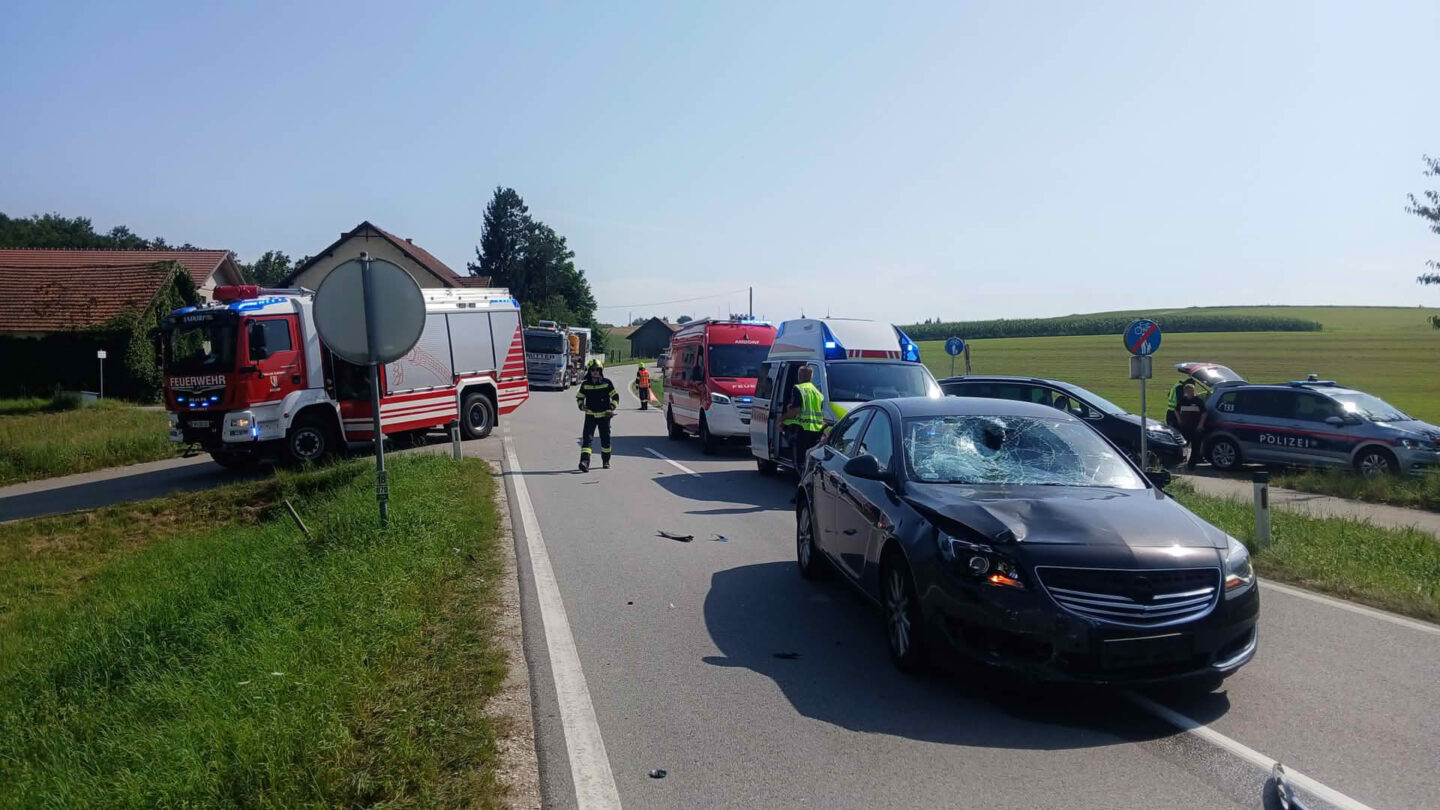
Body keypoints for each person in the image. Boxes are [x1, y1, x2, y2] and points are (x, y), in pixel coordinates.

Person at [576, 360, 619, 471]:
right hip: (590, 416)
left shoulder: (607, 383)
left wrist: (611, 408)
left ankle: (606, 461)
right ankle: (584, 462)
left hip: (604, 416)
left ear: (601, 371)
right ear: (590, 371)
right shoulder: (585, 385)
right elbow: (579, 397)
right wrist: (581, 406)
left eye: (597, 370)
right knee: (587, 439)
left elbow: (615, 397)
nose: (595, 372)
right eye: (593, 370)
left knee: (605, 440)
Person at [782, 366, 826, 473]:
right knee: (810, 458)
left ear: (800, 376)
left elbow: (796, 410)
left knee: (799, 460)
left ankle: (803, 482)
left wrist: (782, 418)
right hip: (816, 430)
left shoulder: (798, 388)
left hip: (801, 429)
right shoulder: (818, 392)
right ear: (811, 376)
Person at [1174, 383, 1207, 470]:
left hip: (1196, 427)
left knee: (1195, 447)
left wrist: (1200, 425)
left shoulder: (1198, 401)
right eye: (1189, 391)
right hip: (1185, 427)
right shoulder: (1183, 401)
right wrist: (1179, 420)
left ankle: (1191, 465)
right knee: (1184, 446)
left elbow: (1204, 413)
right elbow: (1176, 410)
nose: (1191, 393)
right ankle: (1181, 462)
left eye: (1192, 391)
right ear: (1185, 392)